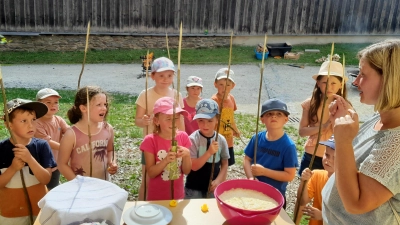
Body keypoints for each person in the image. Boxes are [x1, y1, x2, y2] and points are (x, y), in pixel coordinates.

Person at [322, 39, 400, 224]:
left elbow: (357, 203)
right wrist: (346, 125)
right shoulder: (380, 119)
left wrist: (343, 140)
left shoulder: (397, 144)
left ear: (390, 79)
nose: (356, 82)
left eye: (363, 75)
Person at [135, 56, 185, 200]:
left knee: (171, 177)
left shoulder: (177, 95)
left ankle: (169, 204)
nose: (165, 79)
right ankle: (142, 205)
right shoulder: (145, 94)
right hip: (151, 145)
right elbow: (137, 120)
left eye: (169, 75)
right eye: (161, 75)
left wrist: (182, 139)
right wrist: (143, 121)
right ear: (152, 76)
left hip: (171, 143)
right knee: (147, 178)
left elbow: (180, 119)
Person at [0, 98, 56, 224]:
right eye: (24, 121)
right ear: (9, 124)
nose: (31, 125)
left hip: (40, 212)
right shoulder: (1, 149)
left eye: (33, 120)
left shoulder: (42, 146)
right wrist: (13, 169)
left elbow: (45, 179)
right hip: (11, 215)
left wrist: (30, 159)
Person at [243, 98, 298, 209]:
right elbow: (246, 159)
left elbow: (290, 175)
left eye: (279, 114)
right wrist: (250, 178)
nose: (274, 116)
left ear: (286, 119)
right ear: (262, 119)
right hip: (254, 190)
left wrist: (264, 172)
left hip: (275, 195)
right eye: (269, 114)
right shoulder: (257, 138)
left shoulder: (288, 146)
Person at [298, 61, 349, 175]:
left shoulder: (346, 107)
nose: (329, 87)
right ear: (318, 83)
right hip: (312, 155)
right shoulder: (309, 104)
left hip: (333, 159)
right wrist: (323, 127)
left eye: (334, 83)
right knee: (306, 188)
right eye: (325, 82)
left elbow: (349, 135)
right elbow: (302, 131)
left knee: (326, 191)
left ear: (341, 85)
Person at [58, 86, 117, 181]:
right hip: (81, 188)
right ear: (83, 108)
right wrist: (77, 183)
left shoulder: (107, 128)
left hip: (104, 184)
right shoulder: (71, 134)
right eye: (99, 105)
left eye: (105, 104)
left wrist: (112, 162)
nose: (104, 108)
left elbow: (110, 150)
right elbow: (62, 164)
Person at [140, 97, 191, 200]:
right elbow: (151, 173)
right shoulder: (150, 141)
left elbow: (186, 171)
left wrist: (187, 155)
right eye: (168, 119)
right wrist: (166, 161)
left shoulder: (183, 137)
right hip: (157, 198)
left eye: (176, 118)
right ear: (156, 121)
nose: (173, 122)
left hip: (178, 195)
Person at [185, 99, 229, 199]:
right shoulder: (193, 139)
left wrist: (218, 181)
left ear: (217, 120)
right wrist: (209, 152)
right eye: (201, 121)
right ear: (196, 120)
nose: (205, 125)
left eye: (210, 121)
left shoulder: (221, 140)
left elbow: (225, 164)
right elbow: (193, 166)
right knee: (194, 211)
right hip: (194, 186)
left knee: (212, 211)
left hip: (213, 186)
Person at [295, 136, 335, 225]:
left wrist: (323, 216)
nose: (328, 160)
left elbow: (349, 218)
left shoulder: (348, 185)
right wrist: (303, 182)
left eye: (335, 158)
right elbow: (302, 201)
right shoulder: (317, 175)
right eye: (327, 155)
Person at [34, 88, 70, 190]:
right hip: (43, 163)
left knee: (53, 182)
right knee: (44, 187)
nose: (53, 105)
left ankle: (54, 188)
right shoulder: (36, 123)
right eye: (48, 102)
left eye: (56, 102)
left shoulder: (59, 120)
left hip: (56, 161)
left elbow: (70, 132)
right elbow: (47, 142)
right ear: (39, 105)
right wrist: (66, 148)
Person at [211, 68, 240, 166]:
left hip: (228, 138)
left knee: (226, 162)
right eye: (221, 85)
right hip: (217, 138)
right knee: (216, 162)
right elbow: (211, 120)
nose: (224, 88)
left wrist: (235, 129)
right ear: (215, 84)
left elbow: (231, 117)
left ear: (233, 86)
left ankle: (224, 179)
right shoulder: (214, 100)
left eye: (228, 85)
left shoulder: (231, 98)